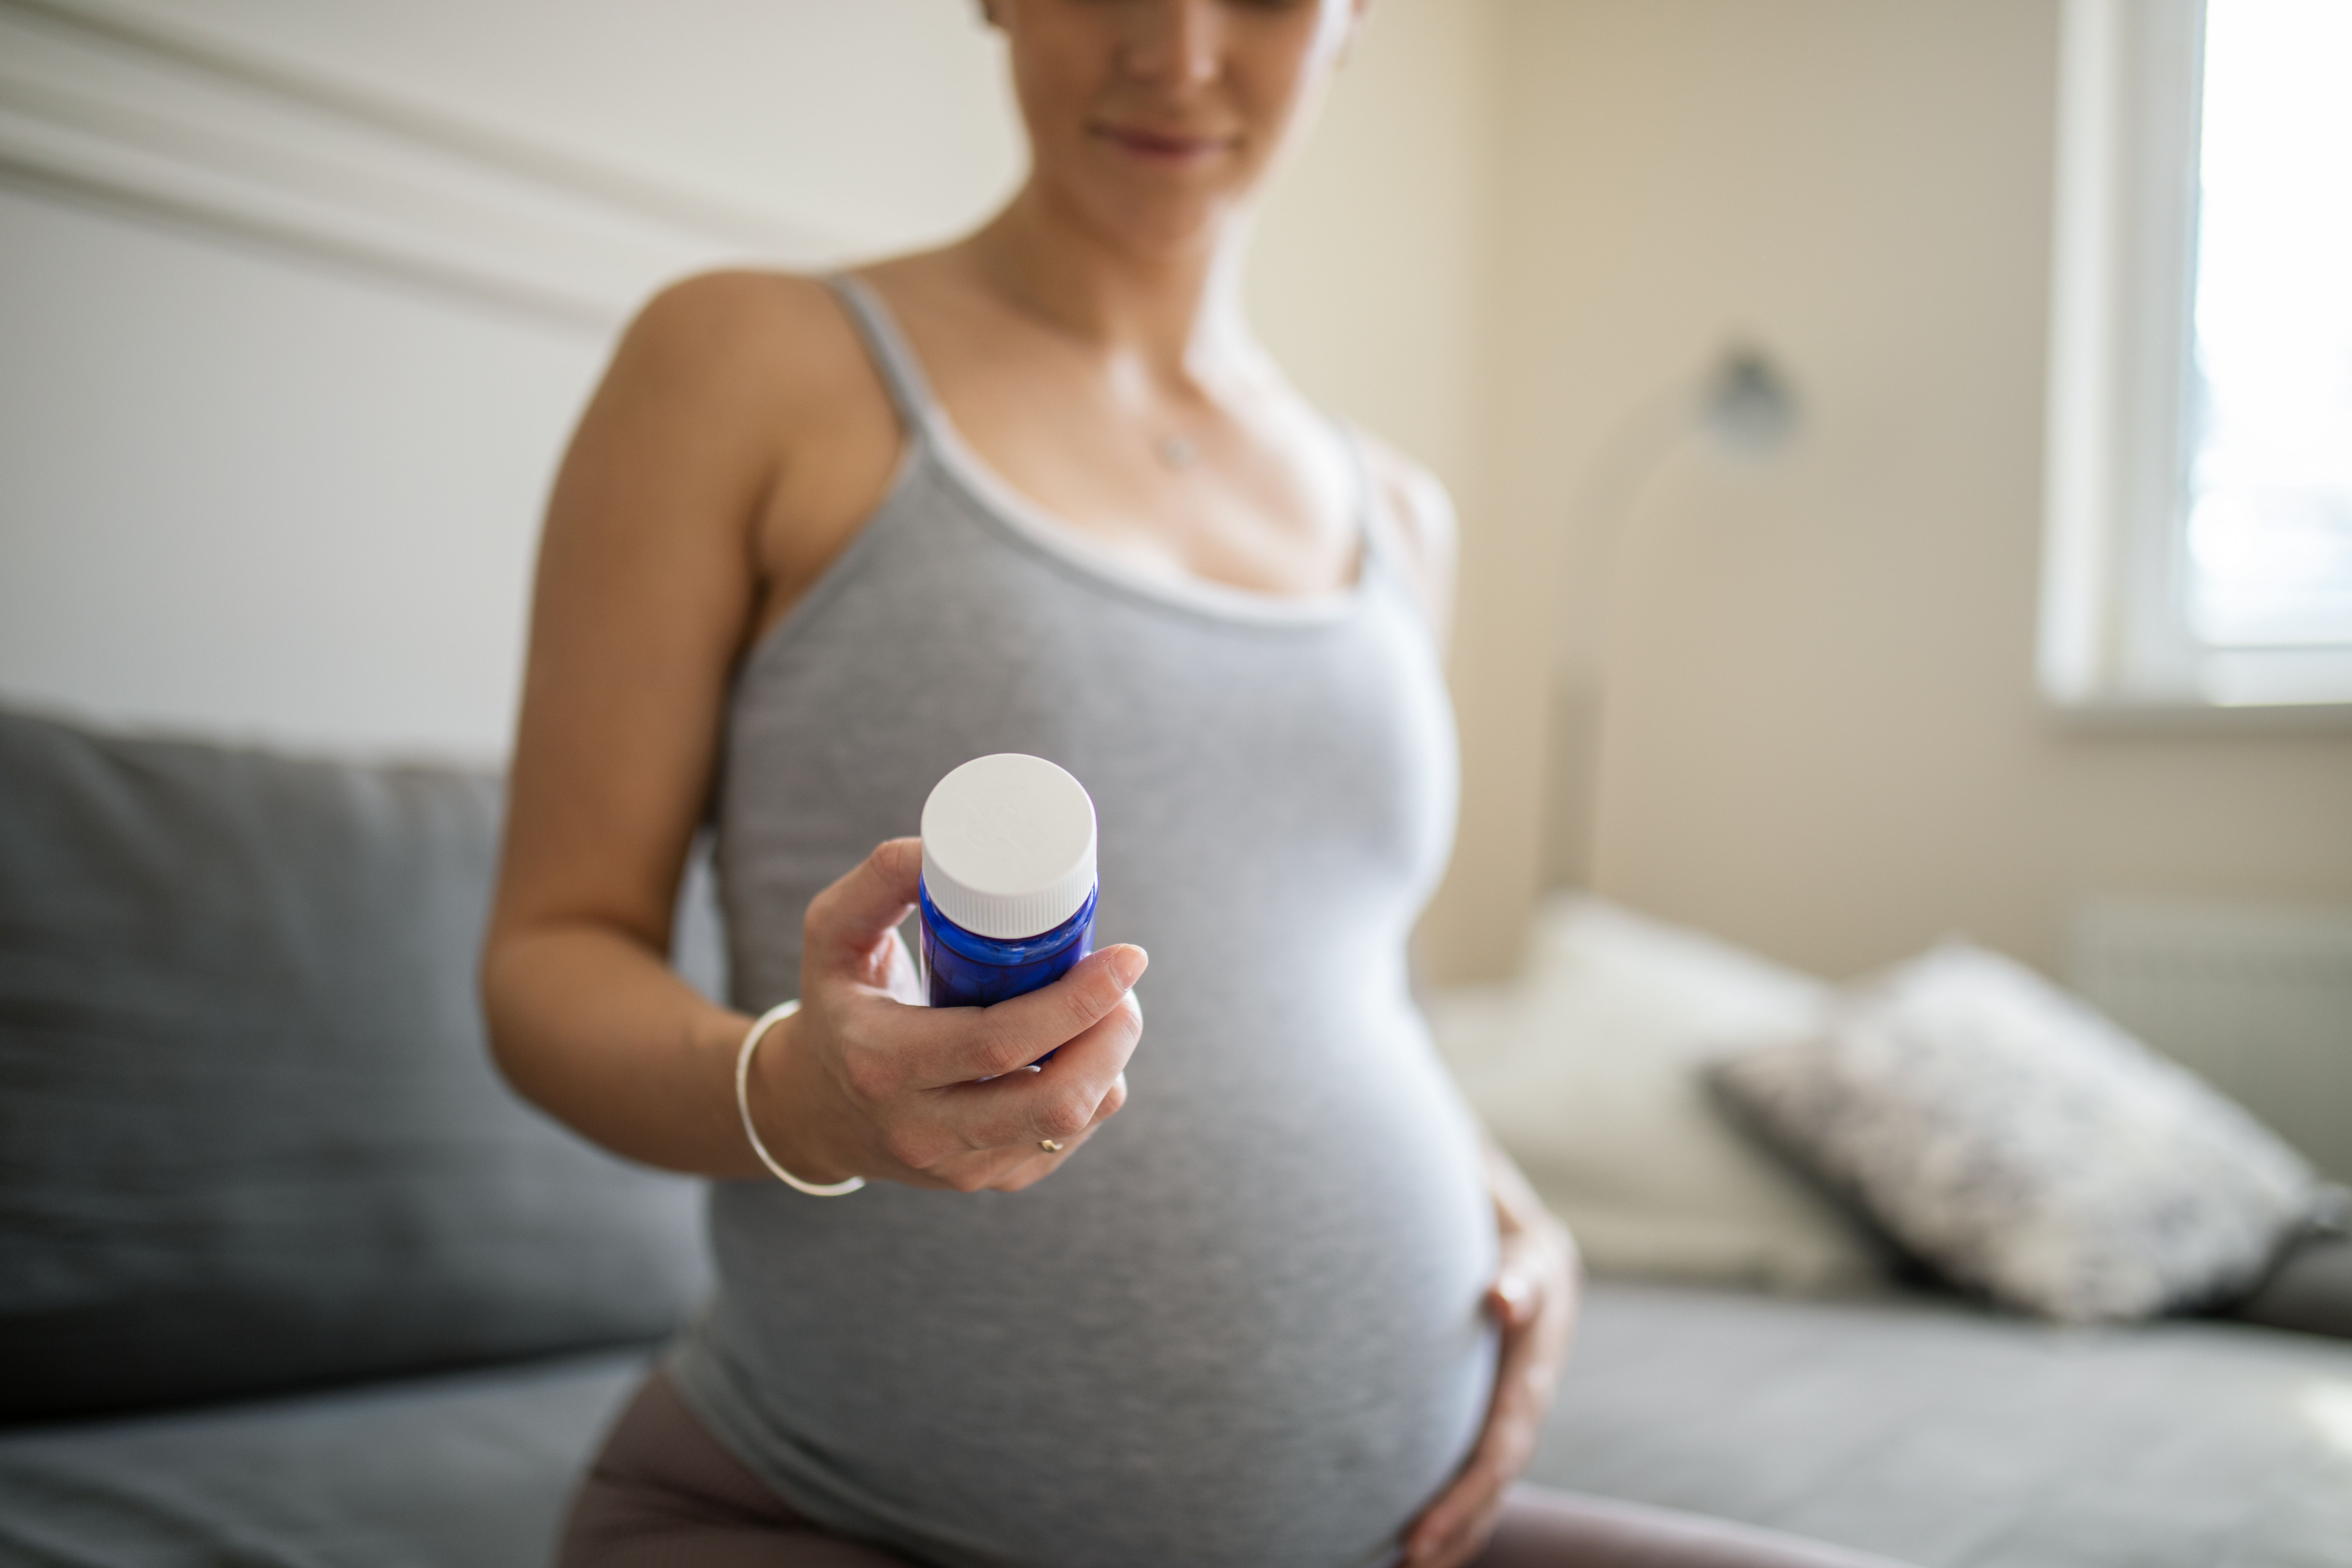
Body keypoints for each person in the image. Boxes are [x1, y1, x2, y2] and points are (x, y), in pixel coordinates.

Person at [482, 4, 1910, 1567]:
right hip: (838, 1515)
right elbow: (550, 959)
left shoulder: (1400, 516)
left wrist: (1507, 1208)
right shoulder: (749, 364)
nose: (1176, 49)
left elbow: (1347, 983)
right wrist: (802, 1096)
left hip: (1408, 1525)